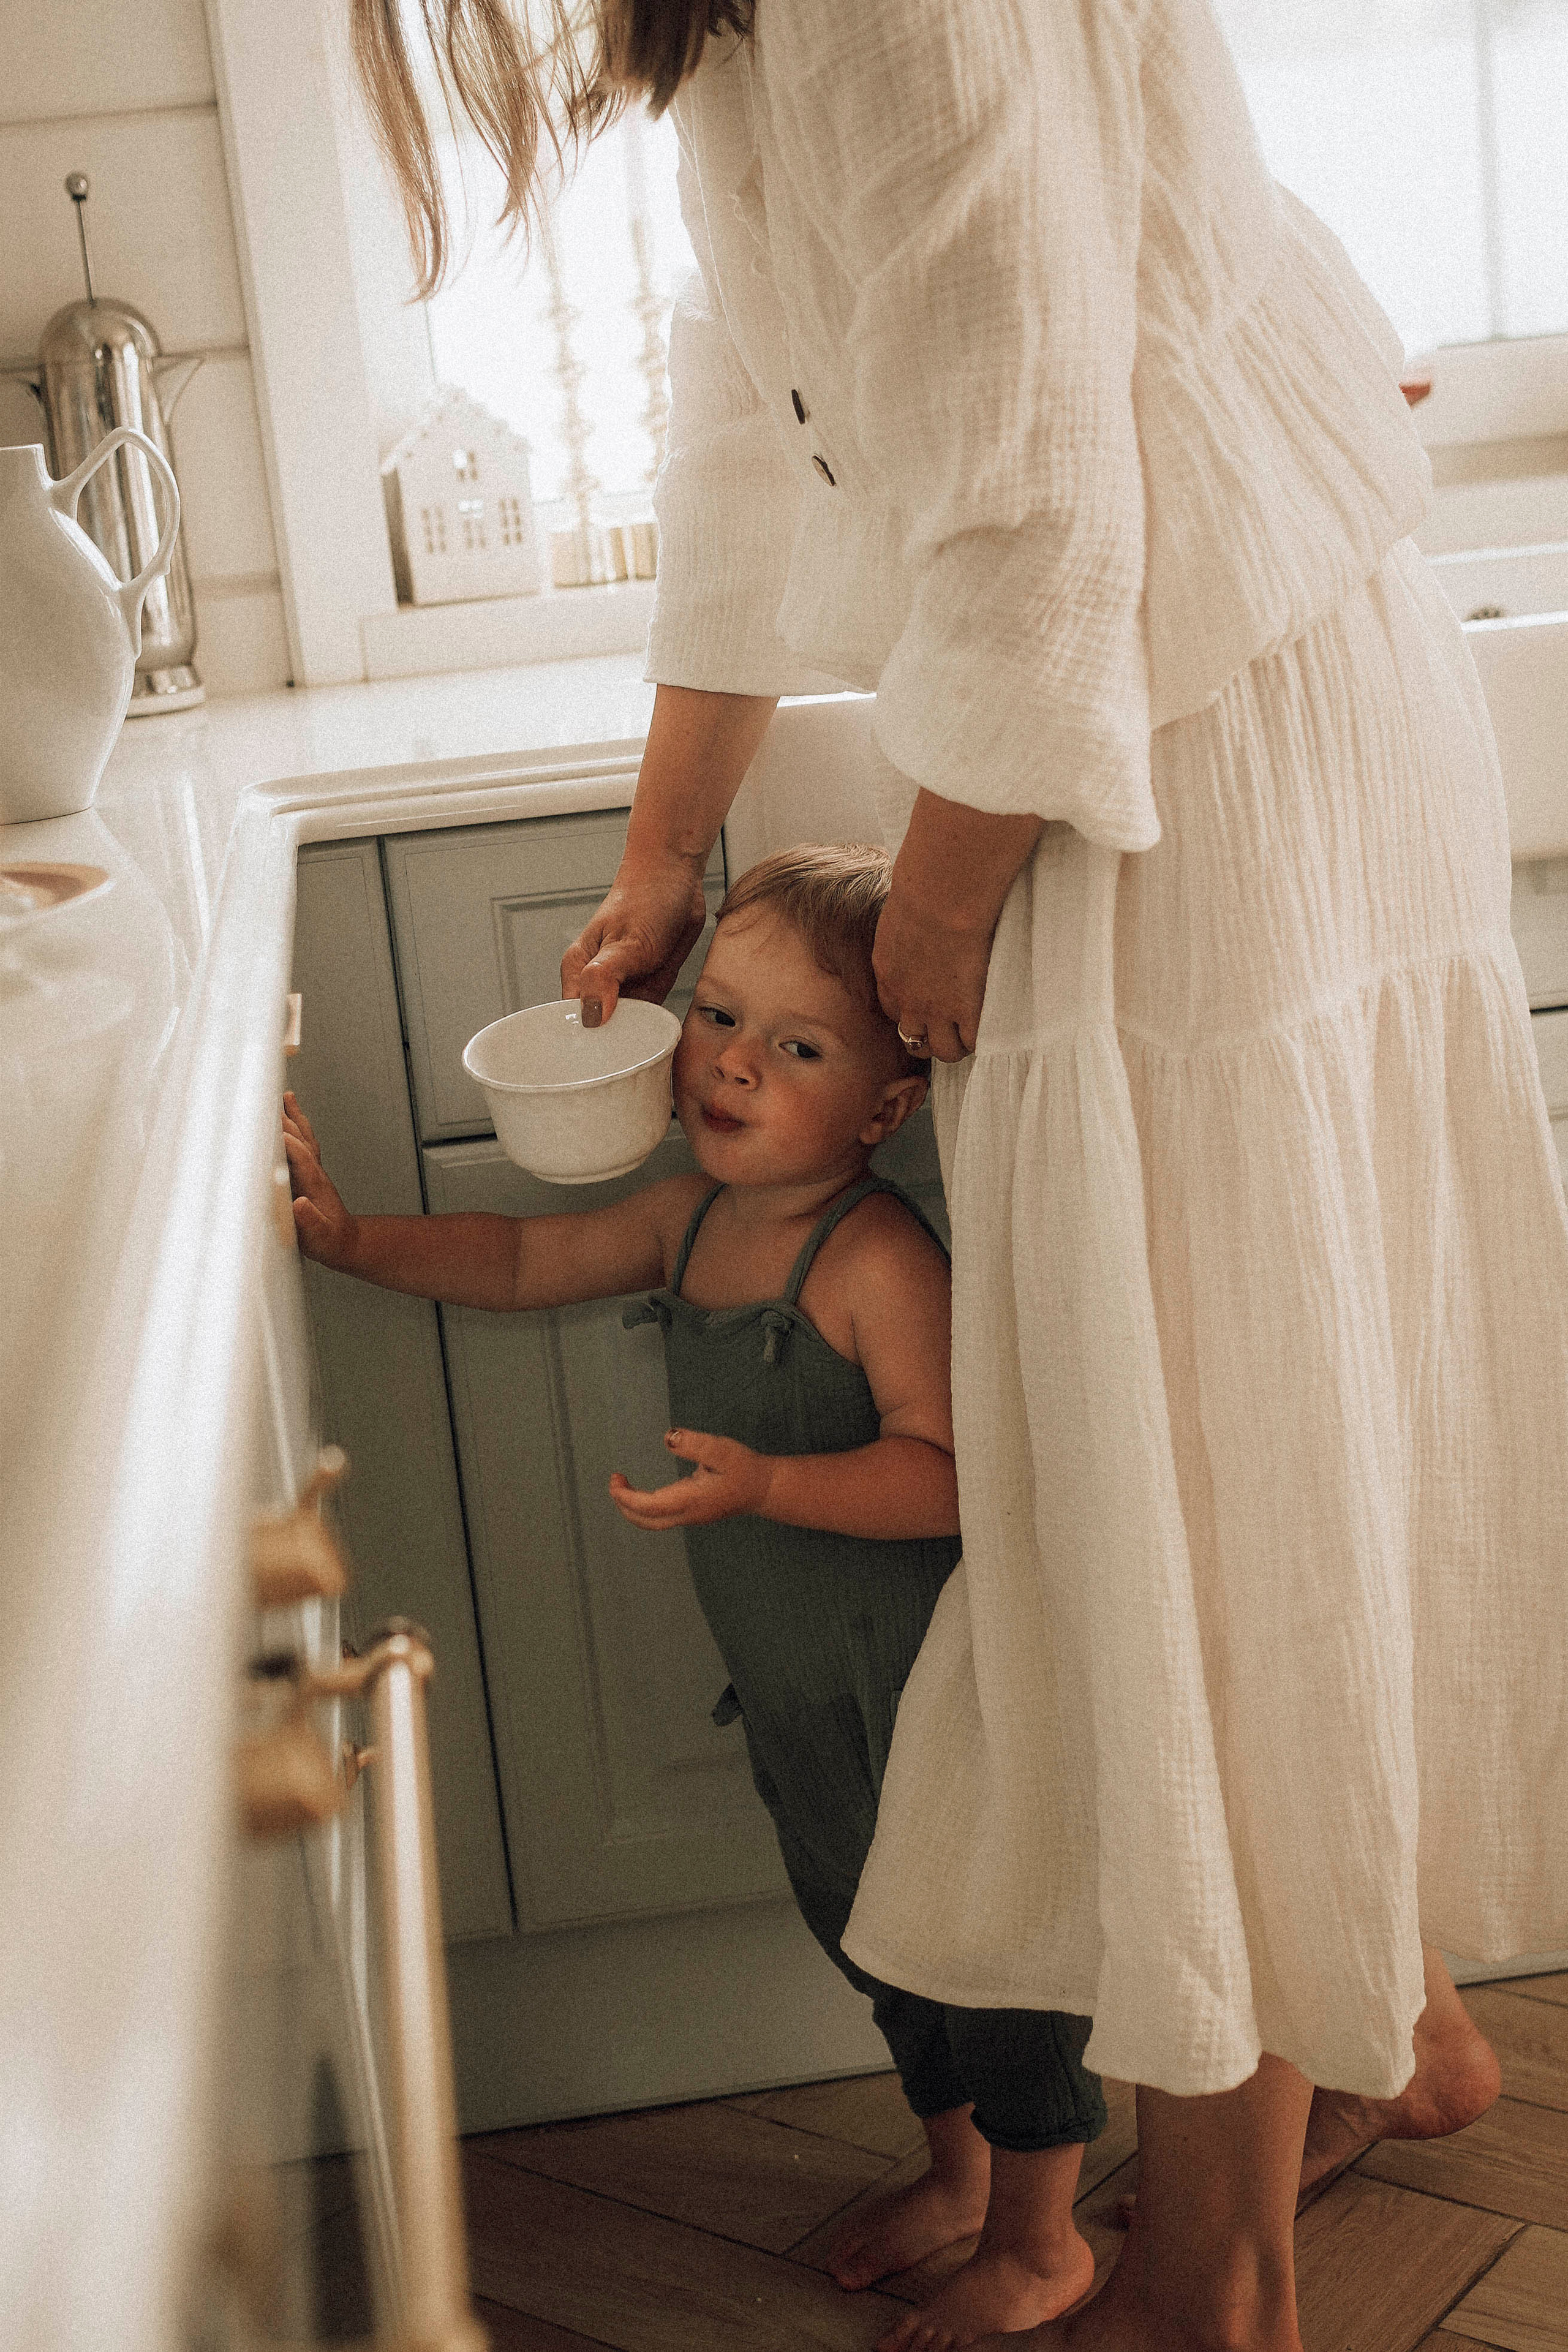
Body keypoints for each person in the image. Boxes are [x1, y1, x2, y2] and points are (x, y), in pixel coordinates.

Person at [349, 4, 1568, 2346]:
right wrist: (668, 834)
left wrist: (931, 912)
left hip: (1203, 740)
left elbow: (1035, 509)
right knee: (1238, 1457)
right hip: (1151, 710)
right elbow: (753, 388)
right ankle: (1393, 2021)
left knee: (1189, 1520)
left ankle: (1218, 2283)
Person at [285, 845, 1112, 2350]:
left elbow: (948, 1473)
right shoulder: (685, 1221)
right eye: (719, 1019)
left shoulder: (868, 1252)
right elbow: (525, 1252)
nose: (728, 1065)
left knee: (991, 1960)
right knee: (874, 1945)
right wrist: (347, 1240)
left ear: (884, 1102)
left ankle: (1041, 2239)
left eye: (792, 1047)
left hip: (924, 1704)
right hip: (804, 1707)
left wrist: (771, 1486)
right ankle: (957, 2175)